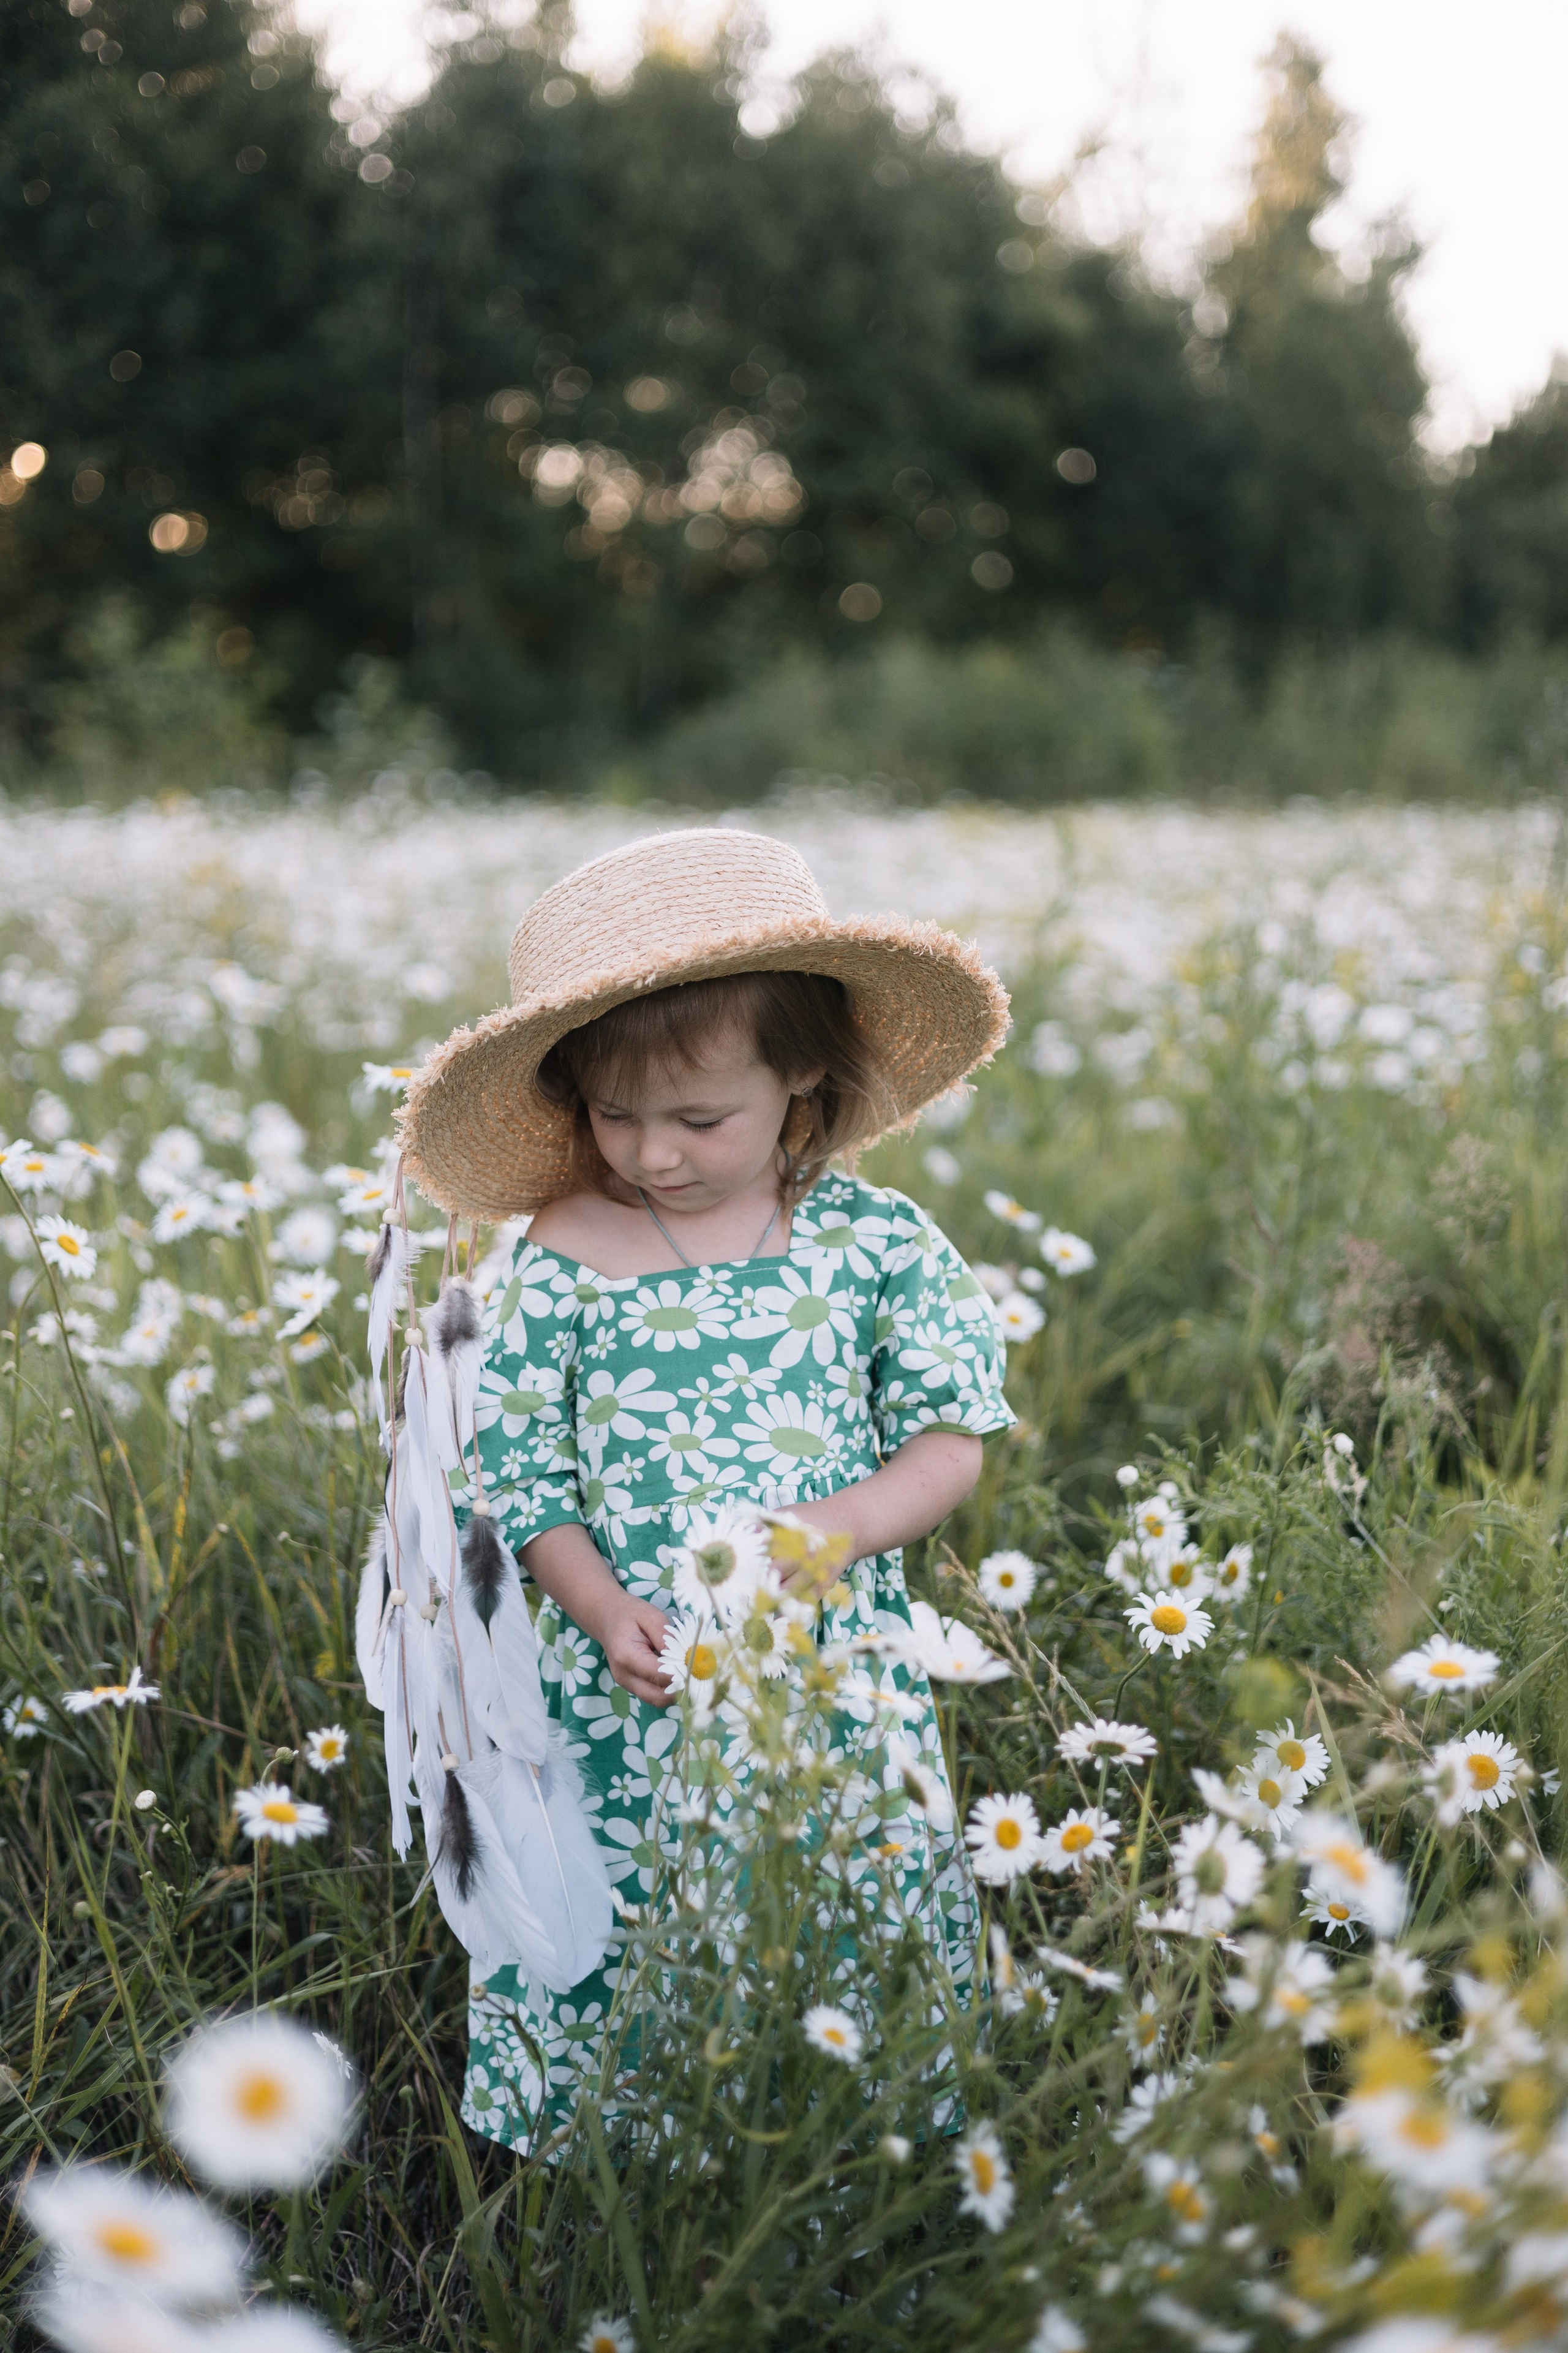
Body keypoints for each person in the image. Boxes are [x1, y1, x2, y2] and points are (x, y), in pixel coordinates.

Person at [396, 826, 1015, 2149]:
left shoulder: (869, 1240)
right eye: (612, 1116)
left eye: (696, 1118)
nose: (653, 1155)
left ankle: (843, 2161)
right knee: (633, 1914)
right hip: (628, 1681)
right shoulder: (560, 1250)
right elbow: (519, 1473)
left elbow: (950, 1434)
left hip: (824, 1677)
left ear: (800, 1066)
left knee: (833, 1907)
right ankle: (643, 2167)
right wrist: (595, 1603)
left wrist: (831, 1532)